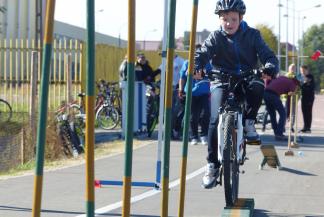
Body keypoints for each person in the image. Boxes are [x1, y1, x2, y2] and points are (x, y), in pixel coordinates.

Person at [194, 0, 279, 189]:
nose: (229, 23)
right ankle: (212, 165)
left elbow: (267, 55)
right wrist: (197, 65)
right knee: (214, 119)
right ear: (219, 19)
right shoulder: (215, 37)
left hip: (247, 77)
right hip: (221, 79)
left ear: (241, 18)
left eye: (233, 19)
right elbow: (203, 53)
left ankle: (249, 122)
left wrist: (270, 66)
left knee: (258, 85)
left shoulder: (253, 35)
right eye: (224, 19)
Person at [178, 58, 211, 145]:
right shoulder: (187, 62)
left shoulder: (207, 63)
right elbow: (182, 77)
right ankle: (194, 136)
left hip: (204, 93)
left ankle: (204, 135)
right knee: (193, 116)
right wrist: (181, 90)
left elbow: (212, 76)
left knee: (205, 113)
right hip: (191, 93)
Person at [263, 73, 299, 141]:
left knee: (272, 114)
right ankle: (279, 134)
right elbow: (289, 100)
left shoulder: (283, 78)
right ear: (296, 84)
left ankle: (277, 133)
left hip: (266, 92)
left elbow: (273, 82)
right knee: (283, 114)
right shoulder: (292, 84)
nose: (296, 89)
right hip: (273, 94)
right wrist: (288, 114)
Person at [299, 65, 315, 133]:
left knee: (308, 112)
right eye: (301, 71)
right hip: (304, 97)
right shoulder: (303, 77)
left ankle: (308, 127)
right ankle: (305, 126)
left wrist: (301, 86)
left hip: (309, 97)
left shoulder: (310, 77)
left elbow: (309, 88)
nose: (302, 72)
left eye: (303, 71)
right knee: (304, 112)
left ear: (306, 70)